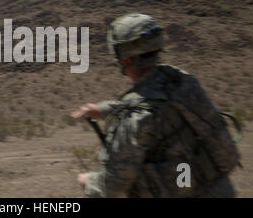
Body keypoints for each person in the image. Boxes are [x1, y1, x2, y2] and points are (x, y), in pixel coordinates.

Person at [71, 13, 240, 198]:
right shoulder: (181, 80)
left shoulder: (135, 117)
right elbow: (157, 102)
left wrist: (89, 181)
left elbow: (113, 186)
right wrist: (103, 109)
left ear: (124, 59)